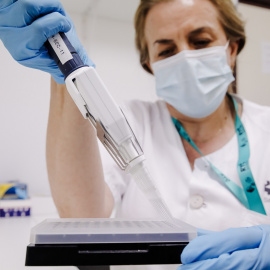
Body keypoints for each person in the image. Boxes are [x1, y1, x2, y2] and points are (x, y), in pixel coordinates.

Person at [1, 0, 270, 269]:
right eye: (166, 50)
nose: (185, 58)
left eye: (200, 41)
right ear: (150, 63)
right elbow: (80, 216)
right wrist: (64, 73)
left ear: (232, 49)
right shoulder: (128, 122)